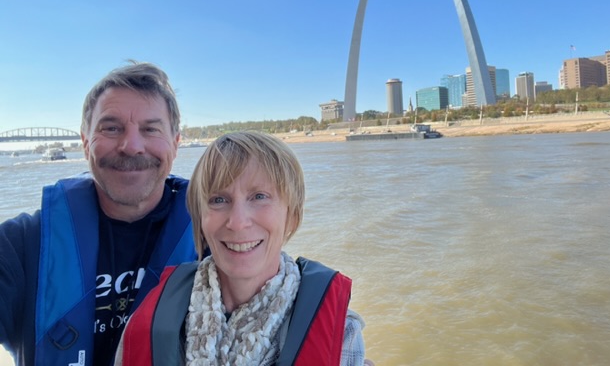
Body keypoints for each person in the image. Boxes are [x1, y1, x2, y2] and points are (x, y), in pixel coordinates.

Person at [0, 62, 198, 366]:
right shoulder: (21, 246)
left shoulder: (215, 237)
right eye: (111, 128)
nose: (131, 146)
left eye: (150, 129)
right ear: (85, 143)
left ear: (175, 143)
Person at [115, 131, 366, 365]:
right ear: (200, 220)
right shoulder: (149, 319)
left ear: (291, 215)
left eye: (259, 196)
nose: (237, 222)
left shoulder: (341, 333)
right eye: (219, 200)